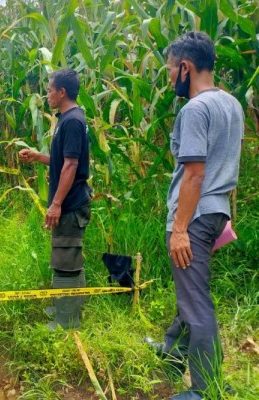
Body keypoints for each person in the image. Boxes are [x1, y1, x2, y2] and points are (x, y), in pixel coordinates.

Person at [145, 32, 243, 400]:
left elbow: (196, 173)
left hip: (196, 217)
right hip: (216, 212)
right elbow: (228, 161)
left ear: (185, 67)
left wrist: (181, 229)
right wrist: (223, 213)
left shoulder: (195, 110)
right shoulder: (231, 105)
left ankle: (206, 389)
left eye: (171, 70)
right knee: (191, 292)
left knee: (196, 300)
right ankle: (171, 354)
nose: (170, 77)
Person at [18, 68, 92, 330]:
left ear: (62, 92)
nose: (46, 94)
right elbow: (63, 161)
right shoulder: (68, 119)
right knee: (66, 257)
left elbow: (71, 166)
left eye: (49, 90)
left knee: (67, 260)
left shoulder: (72, 121)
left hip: (71, 204)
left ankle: (67, 319)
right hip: (69, 202)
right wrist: (39, 157)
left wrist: (56, 203)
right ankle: (66, 306)